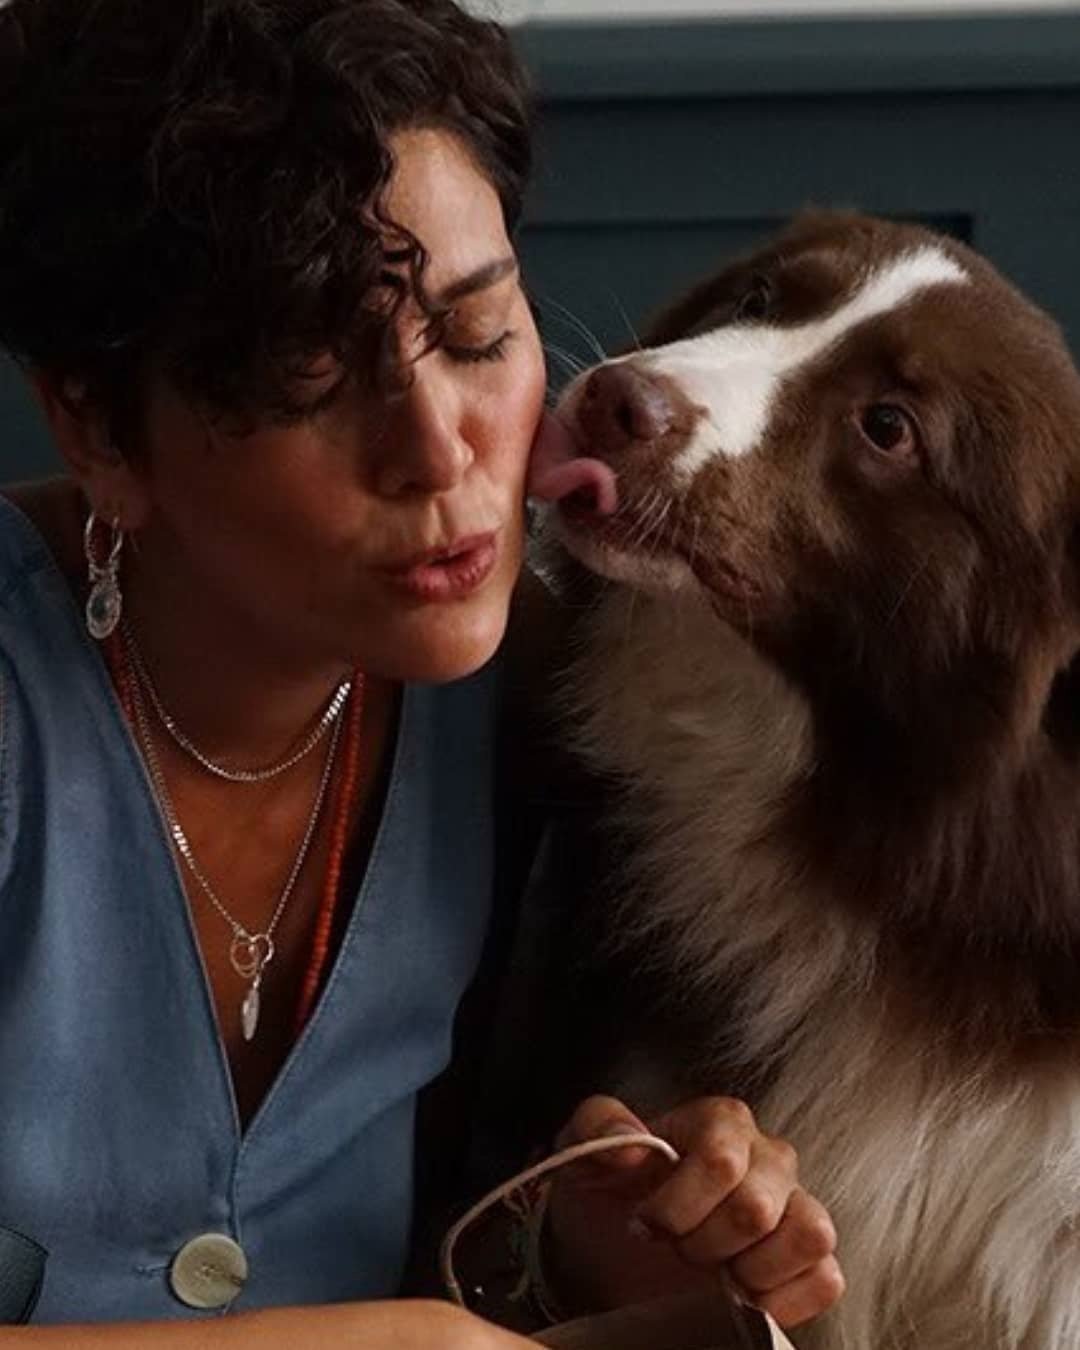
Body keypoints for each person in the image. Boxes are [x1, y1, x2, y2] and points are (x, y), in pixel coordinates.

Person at [0, 0, 844, 1345]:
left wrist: (576, 1251)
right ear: (99, 426)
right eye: (311, 374)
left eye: (478, 335)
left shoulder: (539, 703)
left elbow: (440, 1247)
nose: (441, 451)